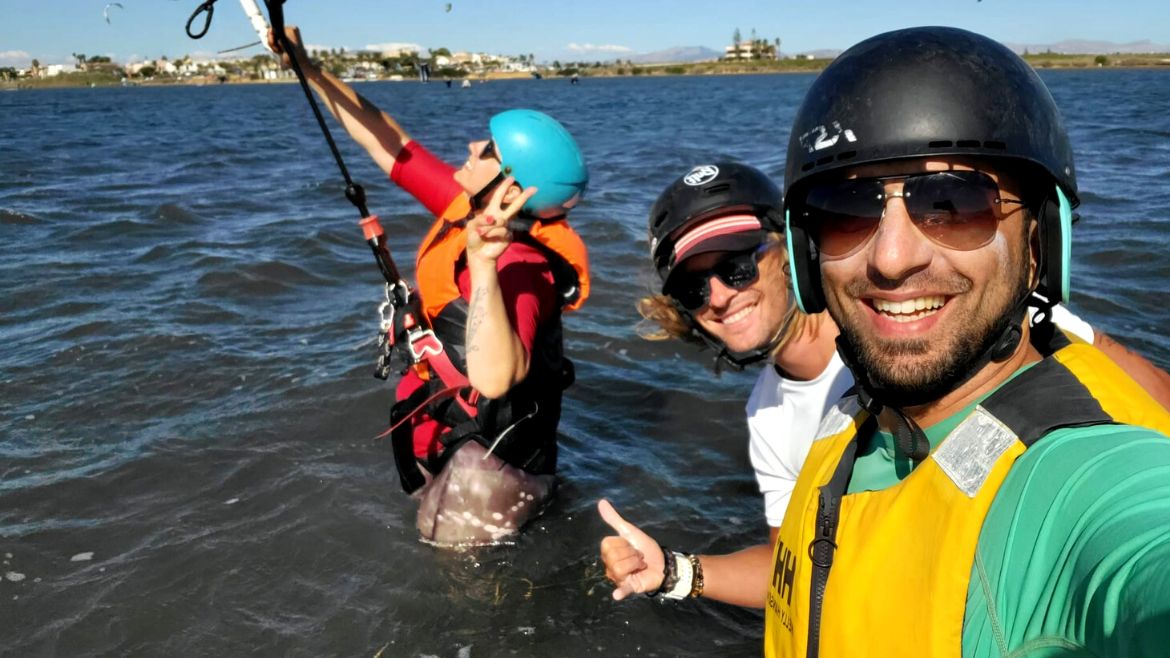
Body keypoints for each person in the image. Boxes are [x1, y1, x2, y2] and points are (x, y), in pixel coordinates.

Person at [763, 26, 1170, 656]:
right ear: (806, 252)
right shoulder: (855, 416)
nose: (892, 258)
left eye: (953, 202)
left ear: (1040, 245)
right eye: (847, 209)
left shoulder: (1075, 480)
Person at [599, 158, 1170, 606]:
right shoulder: (767, 415)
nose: (720, 295)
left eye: (737, 265)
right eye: (695, 289)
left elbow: (1146, 421)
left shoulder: (937, 325)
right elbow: (788, 564)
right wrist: (676, 571)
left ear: (794, 252)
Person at [270, 27, 590, 547]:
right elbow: (386, 139)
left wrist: (484, 264)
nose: (469, 145)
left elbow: (495, 378)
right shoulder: (466, 208)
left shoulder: (521, 266)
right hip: (458, 433)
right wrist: (306, 67)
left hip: (490, 472)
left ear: (508, 187)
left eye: (486, 148)